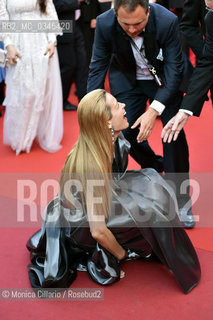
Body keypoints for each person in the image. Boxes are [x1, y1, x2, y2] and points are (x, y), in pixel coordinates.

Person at [27, 89, 201, 293]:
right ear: (106, 122)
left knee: (151, 186)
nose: (124, 106)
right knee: (150, 211)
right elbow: (97, 230)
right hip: (81, 224)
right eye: (118, 106)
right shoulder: (92, 163)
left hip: (99, 198)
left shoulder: (109, 139)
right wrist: (121, 254)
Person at [87, 0, 195, 228]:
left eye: (138, 23)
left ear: (148, 11)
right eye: (125, 24)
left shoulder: (166, 20)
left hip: (165, 80)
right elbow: (98, 65)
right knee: (124, 133)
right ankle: (155, 166)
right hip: (128, 80)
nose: (132, 29)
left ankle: (182, 199)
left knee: (172, 134)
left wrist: (153, 110)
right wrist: (90, 107)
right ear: (115, 14)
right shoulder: (106, 23)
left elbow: (175, 69)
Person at [0, 0, 63, 155]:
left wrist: (52, 41)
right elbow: (2, 16)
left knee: (42, 89)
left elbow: (49, 13)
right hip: (18, 44)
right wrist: (8, 45)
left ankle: (42, 133)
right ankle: (20, 138)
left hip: (40, 44)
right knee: (21, 91)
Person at [161, 1, 213, 143]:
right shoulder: (210, 18)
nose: (209, 10)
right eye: (207, 8)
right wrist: (185, 110)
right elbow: (208, 63)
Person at [53, 0, 88, 111]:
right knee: (68, 66)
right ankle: (61, 100)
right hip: (62, 28)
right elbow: (55, 4)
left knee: (82, 64)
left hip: (76, 26)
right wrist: (76, 1)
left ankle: (85, 101)